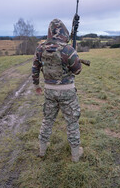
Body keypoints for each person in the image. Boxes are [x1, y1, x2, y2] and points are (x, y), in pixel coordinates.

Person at [32, 18, 83, 162]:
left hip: (49, 91)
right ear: (64, 31)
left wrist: (36, 85)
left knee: (47, 120)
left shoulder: (40, 48)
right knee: (72, 122)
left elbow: (35, 68)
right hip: (67, 92)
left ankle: (42, 150)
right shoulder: (68, 49)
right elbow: (78, 70)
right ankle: (75, 154)